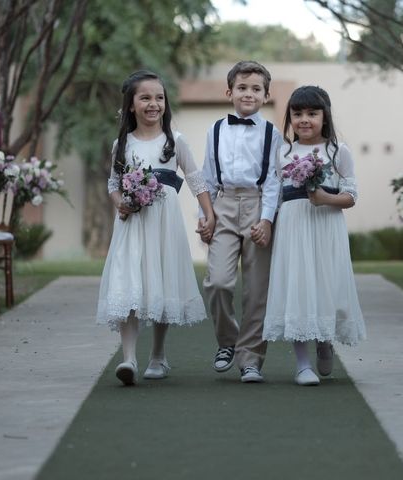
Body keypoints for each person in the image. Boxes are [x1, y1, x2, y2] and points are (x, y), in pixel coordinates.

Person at [96, 70, 214, 386]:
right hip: (131, 224)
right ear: (131, 105)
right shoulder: (121, 143)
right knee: (128, 283)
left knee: (161, 280)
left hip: (165, 222)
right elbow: (113, 182)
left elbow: (195, 178)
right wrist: (120, 201)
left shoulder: (176, 141)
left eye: (159, 97)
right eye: (145, 97)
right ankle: (129, 359)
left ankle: (158, 356)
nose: (154, 104)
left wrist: (208, 214)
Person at [262, 86, 366, 386]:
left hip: (326, 226)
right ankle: (302, 363)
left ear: (325, 116)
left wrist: (325, 199)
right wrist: (266, 222)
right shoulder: (284, 152)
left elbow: (351, 195)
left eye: (312, 113)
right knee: (298, 284)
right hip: (294, 227)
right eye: (297, 114)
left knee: (325, 284)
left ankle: (325, 340)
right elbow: (274, 193)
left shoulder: (337, 151)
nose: (304, 120)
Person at [200, 60, 282, 383]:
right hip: (222, 204)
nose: (249, 94)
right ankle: (227, 341)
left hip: (257, 203)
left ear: (266, 95)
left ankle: (251, 358)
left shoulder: (272, 133)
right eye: (242, 88)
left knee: (257, 288)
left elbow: (275, 180)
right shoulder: (215, 130)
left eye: (256, 89)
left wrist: (267, 220)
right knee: (218, 281)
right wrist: (206, 216)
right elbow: (206, 177)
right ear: (229, 92)